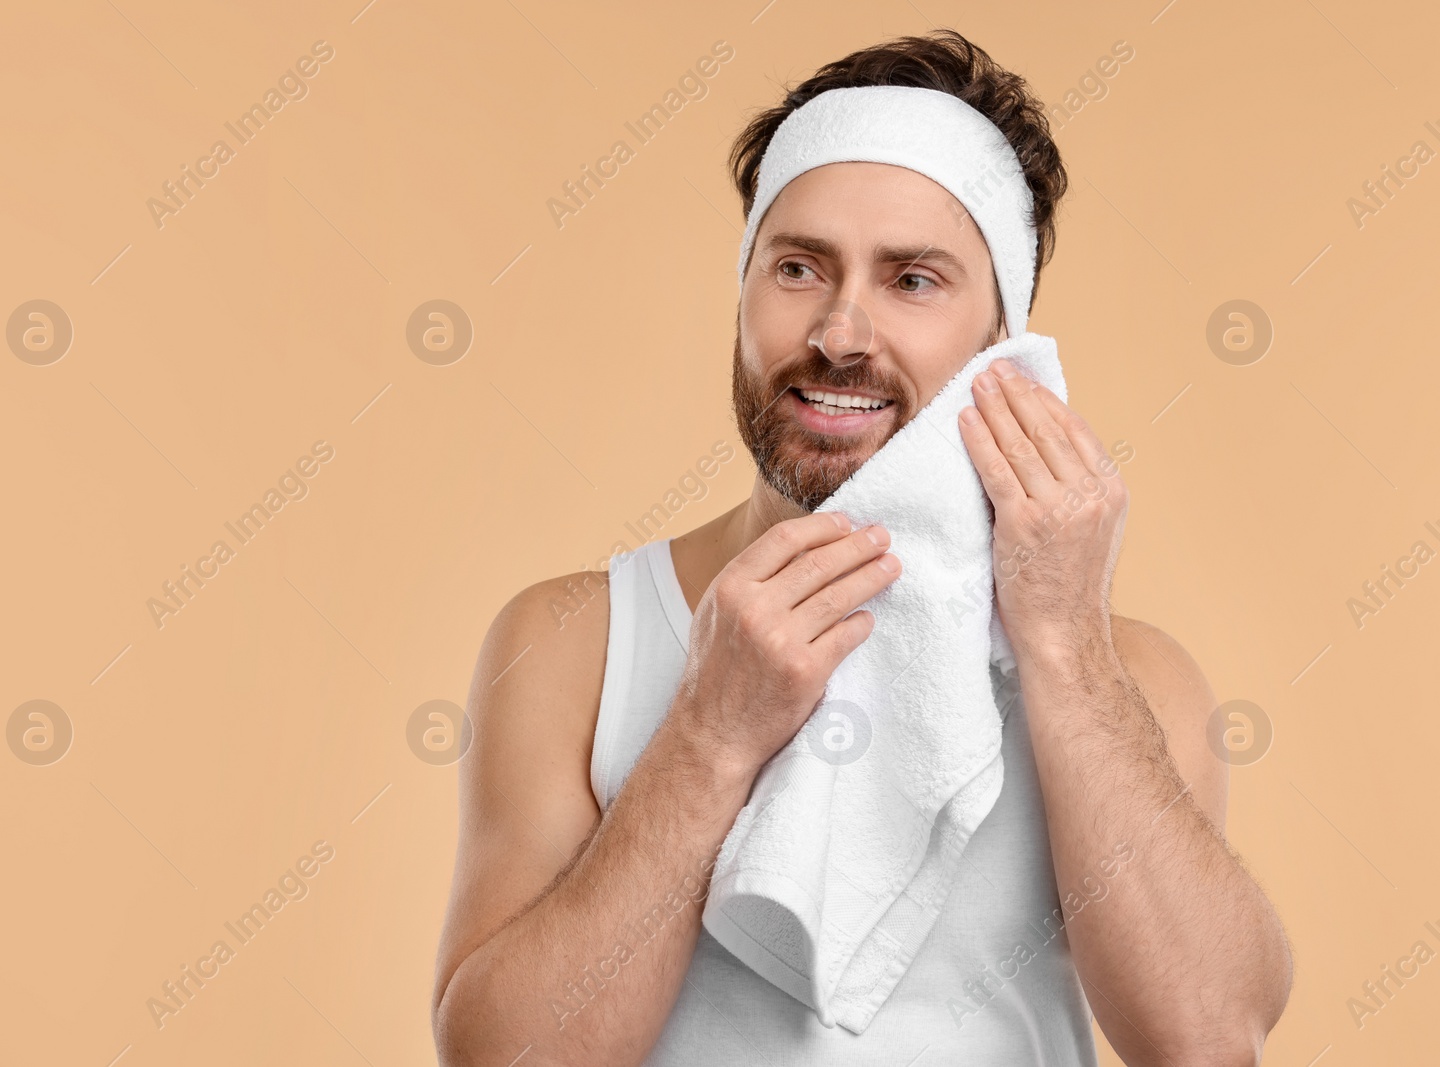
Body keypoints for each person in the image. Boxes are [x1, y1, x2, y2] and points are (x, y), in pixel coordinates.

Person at [432, 29, 1292, 1067]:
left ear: (1003, 338)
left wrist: (1062, 645)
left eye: (912, 280)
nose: (841, 332)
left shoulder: (1136, 676)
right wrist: (706, 736)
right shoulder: (575, 641)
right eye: (798, 266)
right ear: (742, 292)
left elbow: (1208, 1036)